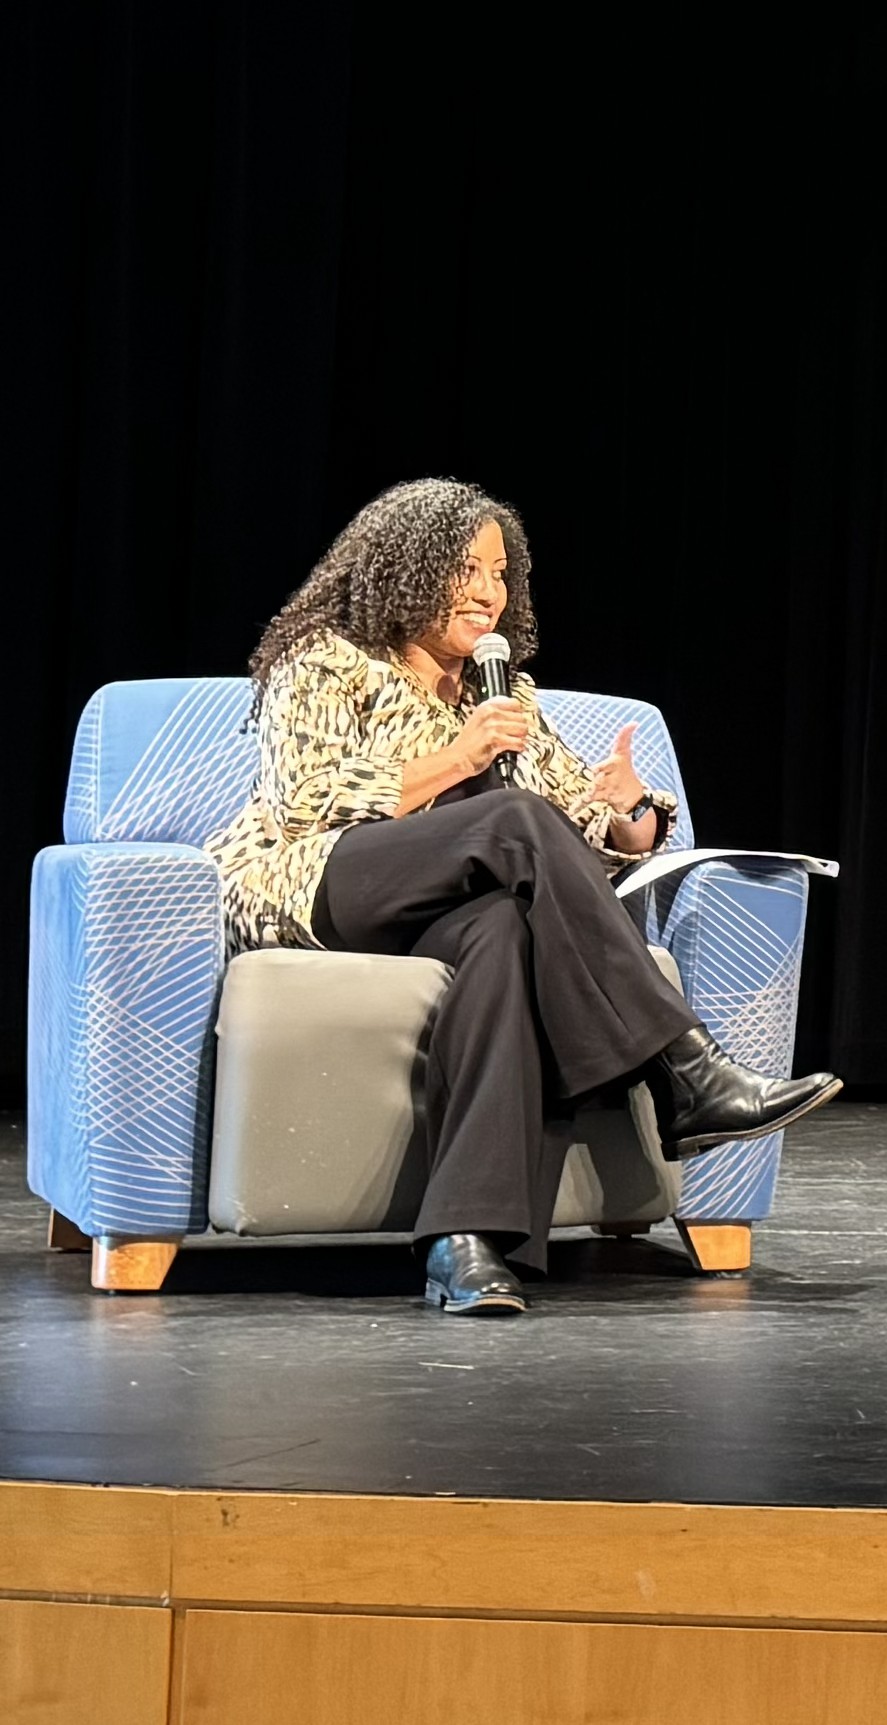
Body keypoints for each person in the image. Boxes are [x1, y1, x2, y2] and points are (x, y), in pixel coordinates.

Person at [206, 479, 841, 1316]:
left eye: (499, 573)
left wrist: (630, 815)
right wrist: (461, 760)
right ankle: (684, 1069)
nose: (486, 591)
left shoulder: (503, 695)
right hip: (320, 881)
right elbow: (307, 800)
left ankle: (464, 1246)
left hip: (447, 907)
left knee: (507, 930)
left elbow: (569, 832)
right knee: (510, 818)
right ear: (405, 569)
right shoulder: (325, 659)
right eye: (463, 568)